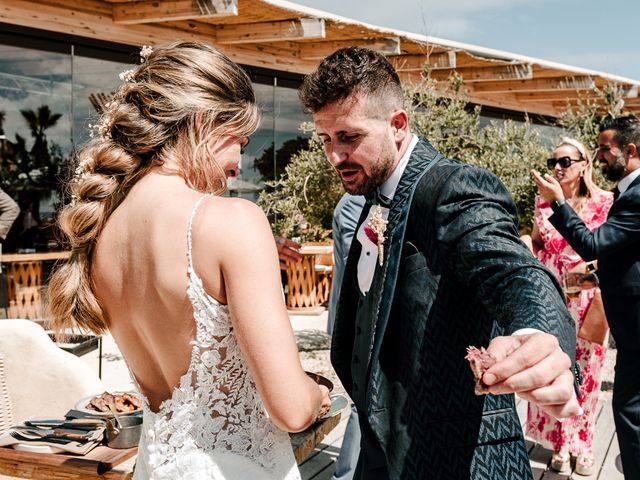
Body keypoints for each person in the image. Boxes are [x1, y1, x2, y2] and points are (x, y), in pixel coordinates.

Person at [47, 41, 330, 480]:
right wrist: (317, 393)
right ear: (203, 123)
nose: (241, 163)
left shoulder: (101, 235)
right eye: (240, 140)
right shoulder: (232, 222)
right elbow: (291, 411)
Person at [299, 46, 581, 480]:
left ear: (398, 125)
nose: (334, 156)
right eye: (326, 140)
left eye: (349, 137)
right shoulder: (370, 191)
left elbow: (517, 273)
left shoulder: (453, 187)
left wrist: (536, 333)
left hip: (453, 455)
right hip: (381, 450)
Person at [532, 114, 640, 480]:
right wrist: (595, 275)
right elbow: (628, 253)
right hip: (560, 297)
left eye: (604, 150)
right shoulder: (628, 192)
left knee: (623, 407)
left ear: (630, 150)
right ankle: (562, 445)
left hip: (611, 317)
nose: (601, 156)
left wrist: (560, 204)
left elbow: (596, 243)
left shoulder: (625, 197)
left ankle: (589, 449)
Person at [522, 138, 612, 475]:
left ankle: (584, 445)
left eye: (565, 161)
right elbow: (538, 240)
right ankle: (561, 445)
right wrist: (526, 245)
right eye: (553, 161)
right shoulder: (543, 202)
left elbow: (611, 251)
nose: (557, 168)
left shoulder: (604, 203)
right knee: (557, 372)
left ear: (583, 165)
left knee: (588, 377)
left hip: (589, 300)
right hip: (550, 298)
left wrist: (587, 272)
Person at [328, 193, 365, 480]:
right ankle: (346, 475)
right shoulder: (356, 203)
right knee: (361, 402)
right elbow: (358, 263)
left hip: (362, 319)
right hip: (355, 319)